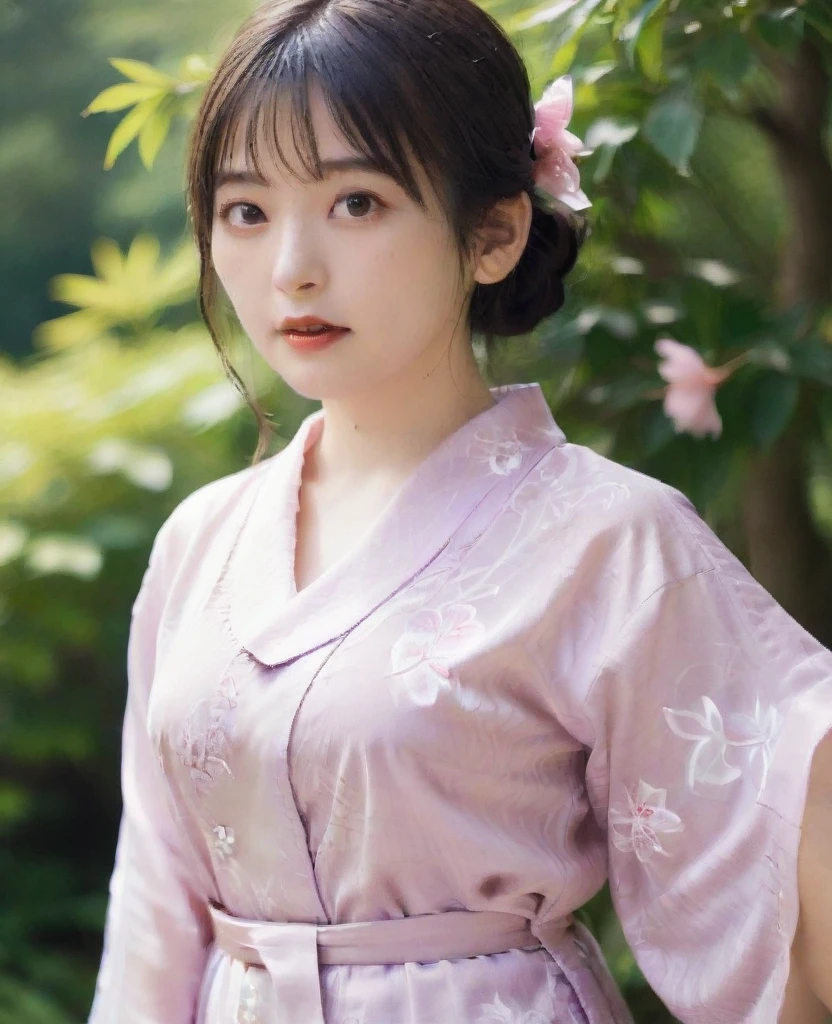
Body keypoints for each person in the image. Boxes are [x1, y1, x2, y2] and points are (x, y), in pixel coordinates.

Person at [88, 0, 832, 1021]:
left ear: (492, 233)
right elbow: (153, 907)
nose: (291, 266)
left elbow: (784, 828)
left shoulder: (610, 538)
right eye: (246, 211)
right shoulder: (200, 540)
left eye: (356, 202)